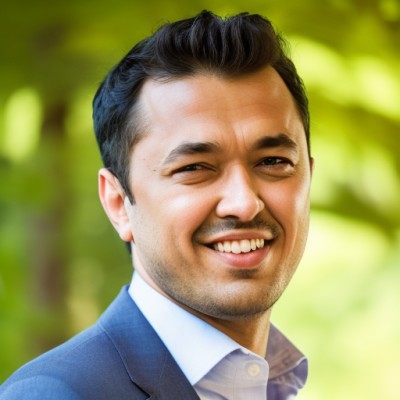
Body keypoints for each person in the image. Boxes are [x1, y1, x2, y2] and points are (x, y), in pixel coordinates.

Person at [0, 10, 314, 400]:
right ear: (118, 203)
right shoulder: (56, 393)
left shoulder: (274, 385)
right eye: (194, 167)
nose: (244, 202)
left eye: (273, 161)